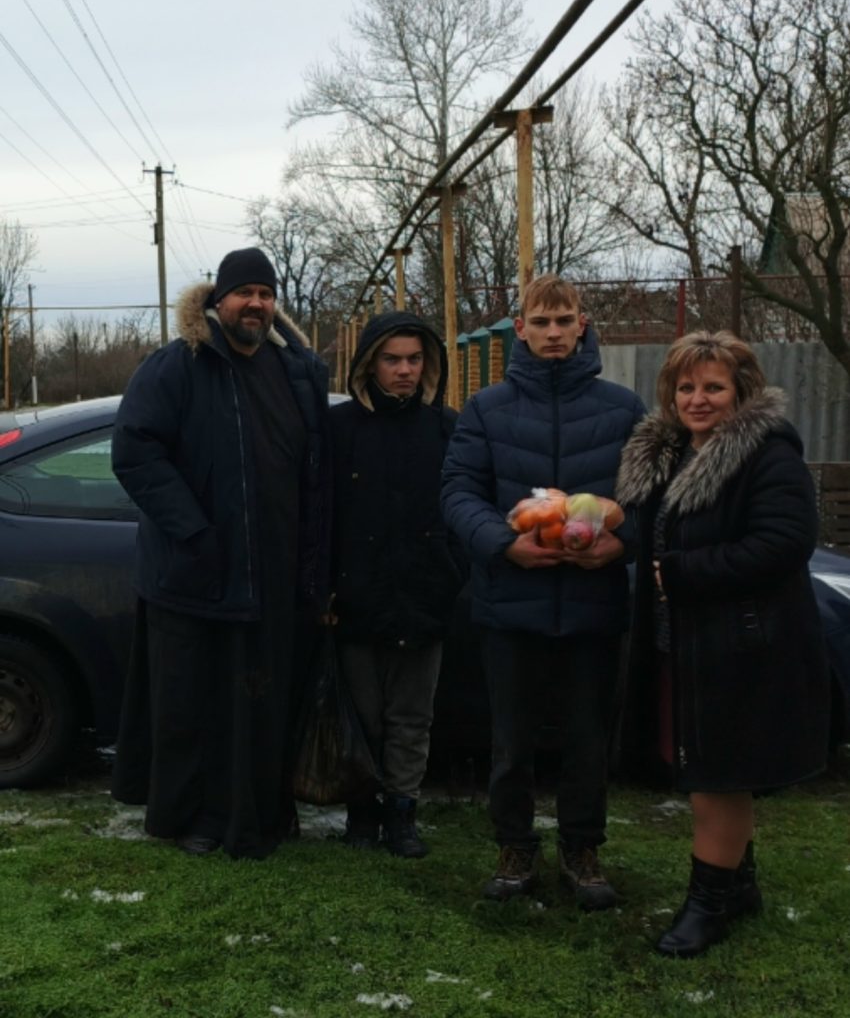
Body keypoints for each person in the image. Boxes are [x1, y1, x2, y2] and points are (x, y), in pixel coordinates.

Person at [110, 247, 331, 860]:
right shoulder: (179, 365)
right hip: (196, 571)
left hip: (274, 575)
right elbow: (135, 451)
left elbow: (315, 470)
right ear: (219, 301)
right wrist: (194, 530)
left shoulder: (296, 371)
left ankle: (262, 812)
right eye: (244, 293)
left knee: (259, 704)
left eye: (265, 293)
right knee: (195, 707)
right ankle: (196, 819)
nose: (255, 304)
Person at [615, 330, 830, 957]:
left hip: (740, 645)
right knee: (709, 767)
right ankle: (739, 886)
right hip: (684, 643)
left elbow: (784, 543)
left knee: (718, 776)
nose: (698, 399)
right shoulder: (673, 452)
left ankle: (706, 905)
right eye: (686, 387)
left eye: (713, 387)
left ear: (742, 392)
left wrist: (684, 572)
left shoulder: (767, 454)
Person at [441, 274, 645, 907]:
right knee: (512, 740)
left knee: (588, 738)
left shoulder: (623, 409)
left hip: (593, 604)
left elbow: (651, 499)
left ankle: (582, 850)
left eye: (564, 321)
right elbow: (458, 493)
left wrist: (622, 543)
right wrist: (504, 545)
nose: (553, 333)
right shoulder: (486, 409)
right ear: (520, 329)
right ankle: (514, 846)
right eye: (541, 321)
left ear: (582, 325)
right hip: (510, 603)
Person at [330, 310, 465, 857]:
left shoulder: (446, 428)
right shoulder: (340, 429)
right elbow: (321, 515)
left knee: (411, 718)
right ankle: (362, 813)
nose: (404, 370)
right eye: (392, 360)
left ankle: (403, 815)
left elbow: (465, 506)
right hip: (355, 599)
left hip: (424, 596)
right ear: (370, 364)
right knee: (361, 716)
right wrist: (327, 589)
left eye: (413, 359)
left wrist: (453, 574)